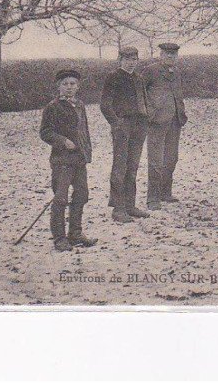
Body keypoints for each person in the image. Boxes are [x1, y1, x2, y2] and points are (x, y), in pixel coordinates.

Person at [39, 69, 97, 252]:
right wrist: (63, 141)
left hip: (79, 159)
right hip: (62, 160)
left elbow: (83, 131)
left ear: (78, 86)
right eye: (65, 84)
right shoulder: (52, 107)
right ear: (59, 86)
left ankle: (75, 234)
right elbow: (45, 132)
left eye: (73, 84)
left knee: (81, 195)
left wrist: (86, 151)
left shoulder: (80, 105)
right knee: (61, 199)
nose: (69, 87)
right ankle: (59, 238)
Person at [100, 47, 150, 223]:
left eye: (134, 59)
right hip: (123, 125)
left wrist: (146, 117)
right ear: (120, 59)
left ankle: (130, 205)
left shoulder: (139, 78)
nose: (131, 62)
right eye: (127, 59)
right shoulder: (113, 77)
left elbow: (144, 100)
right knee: (120, 166)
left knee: (133, 165)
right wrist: (116, 123)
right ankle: (118, 208)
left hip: (139, 125)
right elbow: (105, 105)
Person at [141, 42, 188, 210]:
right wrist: (149, 111)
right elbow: (140, 92)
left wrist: (181, 112)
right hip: (156, 122)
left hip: (175, 121)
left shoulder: (177, 72)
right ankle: (152, 198)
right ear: (160, 55)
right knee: (156, 160)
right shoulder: (151, 71)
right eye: (167, 53)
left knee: (171, 158)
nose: (170, 56)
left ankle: (165, 192)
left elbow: (178, 94)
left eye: (173, 54)